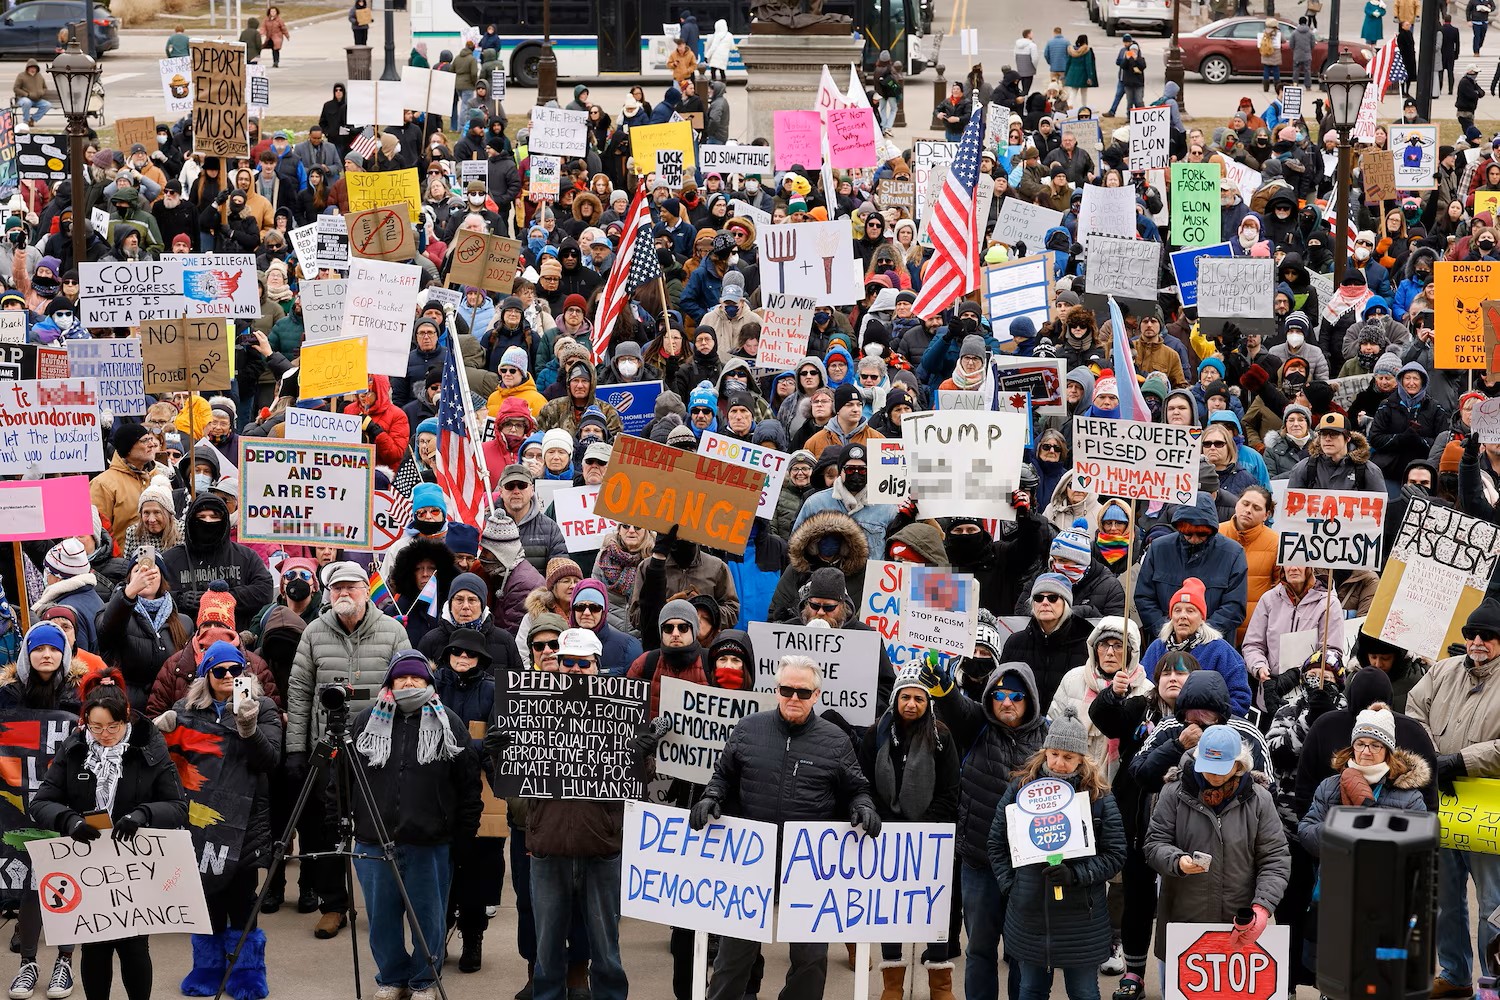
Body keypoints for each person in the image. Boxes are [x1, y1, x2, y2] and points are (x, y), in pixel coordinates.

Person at [695, 654, 879, 1000]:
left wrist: (863, 807)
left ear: (817, 695)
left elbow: (857, 789)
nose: (794, 697)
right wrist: (712, 798)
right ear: (775, 689)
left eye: (803, 692)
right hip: (751, 858)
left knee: (811, 960)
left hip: (809, 864)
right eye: (786, 689)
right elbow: (723, 777)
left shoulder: (836, 740)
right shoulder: (748, 729)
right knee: (734, 957)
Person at [31, 684, 188, 1000]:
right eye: (96, 726)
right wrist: (69, 820)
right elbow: (41, 802)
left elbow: (177, 806)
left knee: (134, 946)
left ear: (126, 718)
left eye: (112, 727)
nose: (104, 734)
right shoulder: (74, 749)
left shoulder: (150, 748)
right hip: (88, 863)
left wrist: (142, 815)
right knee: (95, 946)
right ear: (86, 721)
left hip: (134, 864)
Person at [286, 561, 412, 940]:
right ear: (328, 594)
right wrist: (296, 749)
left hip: (379, 750)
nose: (344, 594)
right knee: (328, 830)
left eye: (351, 587)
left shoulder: (393, 632)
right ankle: (333, 905)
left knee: (380, 827)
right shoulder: (313, 632)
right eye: (337, 588)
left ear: (365, 590)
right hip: (329, 749)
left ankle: (385, 903)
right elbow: (299, 692)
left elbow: (410, 689)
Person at [349, 651, 479, 1000]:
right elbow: (343, 779)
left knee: (428, 919)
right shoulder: (364, 722)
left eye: (416, 677)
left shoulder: (449, 722)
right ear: (389, 683)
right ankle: (391, 977)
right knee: (381, 919)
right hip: (373, 840)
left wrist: (463, 835)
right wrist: (344, 822)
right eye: (401, 677)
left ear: (428, 682)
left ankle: (424, 980)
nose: (408, 682)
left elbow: (468, 785)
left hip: (429, 842)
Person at [158, 640, 279, 1000]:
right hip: (199, 821)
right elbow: (156, 759)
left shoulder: (265, 707)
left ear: (245, 672)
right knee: (206, 898)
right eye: (219, 670)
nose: (228, 676)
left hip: (244, 821)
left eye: (235, 670)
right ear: (206, 675)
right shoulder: (186, 710)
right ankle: (208, 966)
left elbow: (270, 760)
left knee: (243, 898)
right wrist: (156, 731)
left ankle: (247, 971)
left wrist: (249, 729)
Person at [988, 708, 1127, 1000]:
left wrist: (1077, 874)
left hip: (1081, 920)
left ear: (1081, 759)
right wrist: (1011, 887)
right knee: (1031, 990)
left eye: (1068, 757)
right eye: (1053, 754)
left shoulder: (1098, 796)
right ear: (1045, 752)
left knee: (1084, 992)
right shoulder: (1020, 789)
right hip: (1029, 916)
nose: (1059, 763)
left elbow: (1115, 854)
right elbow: (996, 843)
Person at [522, 628, 628, 1000]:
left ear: (597, 667)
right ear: (557, 665)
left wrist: (640, 745)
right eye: (568, 662)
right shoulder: (529, 706)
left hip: (601, 846)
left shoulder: (620, 712)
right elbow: (508, 770)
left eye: (584, 664)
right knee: (547, 949)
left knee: (606, 948)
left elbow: (636, 777)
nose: (575, 670)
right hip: (548, 845)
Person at [934, 659, 1047, 1000]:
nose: (1006, 702)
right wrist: (942, 682)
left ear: (1029, 699)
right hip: (980, 862)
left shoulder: (1048, 736)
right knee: (980, 950)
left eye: (1016, 695)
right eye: (998, 694)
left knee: (1020, 954)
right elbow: (954, 704)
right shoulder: (976, 725)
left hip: (1028, 867)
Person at [1406, 598, 1500, 998]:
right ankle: (1456, 973)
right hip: (1440, 795)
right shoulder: (1442, 671)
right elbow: (1413, 712)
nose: (1478, 641)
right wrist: (1432, 759)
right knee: (1445, 895)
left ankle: (1493, 980)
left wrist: (1460, 760)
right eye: (1471, 633)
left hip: (1487, 800)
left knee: (1493, 900)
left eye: (1488, 635)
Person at [1144, 724, 1291, 967]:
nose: (1213, 776)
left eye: (1221, 769)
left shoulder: (1260, 799)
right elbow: (1154, 844)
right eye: (1208, 768)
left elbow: (1275, 858)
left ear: (1239, 765)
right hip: (1184, 922)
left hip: (1239, 924)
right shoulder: (1173, 792)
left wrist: (1262, 907)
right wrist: (1177, 861)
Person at [862, 664, 960, 1000]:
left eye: (919, 698)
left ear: (927, 703)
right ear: (896, 699)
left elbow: (951, 790)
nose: (912, 704)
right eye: (906, 696)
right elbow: (865, 782)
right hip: (887, 835)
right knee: (891, 907)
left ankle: (939, 983)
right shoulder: (876, 733)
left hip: (930, 838)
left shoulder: (941, 736)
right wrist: (883, 820)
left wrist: (927, 826)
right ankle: (892, 984)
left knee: (933, 908)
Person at [1, 624, 81, 1000]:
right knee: (32, 887)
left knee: (66, 884)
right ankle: (28, 965)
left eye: (54, 648)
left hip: (68, 802)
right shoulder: (7, 696)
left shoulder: (81, 693)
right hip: (20, 803)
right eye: (38, 648)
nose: (46, 654)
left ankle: (65, 962)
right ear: (26, 654)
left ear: (64, 655)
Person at [1139, 578, 1253, 717]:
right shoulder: (1157, 648)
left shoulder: (1220, 650)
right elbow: (1143, 689)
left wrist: (1207, 720)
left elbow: (1240, 698)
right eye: (1177, 610)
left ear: (1202, 618)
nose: (1183, 616)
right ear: (1171, 616)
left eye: (1190, 610)